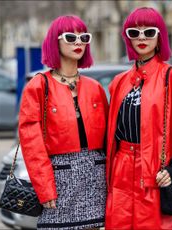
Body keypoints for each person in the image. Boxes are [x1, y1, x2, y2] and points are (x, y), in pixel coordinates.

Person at [105, 7, 172, 230]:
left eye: (149, 32)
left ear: (159, 37)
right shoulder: (119, 82)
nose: (141, 38)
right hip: (121, 174)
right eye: (134, 33)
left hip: (158, 175)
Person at [19, 15, 108, 229]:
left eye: (83, 37)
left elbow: (108, 141)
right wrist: (44, 187)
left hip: (95, 178)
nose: (78, 42)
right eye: (70, 37)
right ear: (55, 41)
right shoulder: (39, 86)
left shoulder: (94, 87)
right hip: (59, 181)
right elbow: (32, 144)